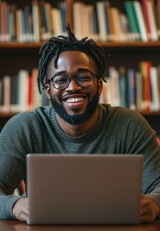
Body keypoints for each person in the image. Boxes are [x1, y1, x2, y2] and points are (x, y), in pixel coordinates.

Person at [0, 24, 160, 224]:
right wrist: (15, 205)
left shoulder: (130, 125)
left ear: (99, 85)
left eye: (84, 77)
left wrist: (153, 203)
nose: (73, 87)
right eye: (61, 79)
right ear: (48, 90)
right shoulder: (24, 128)